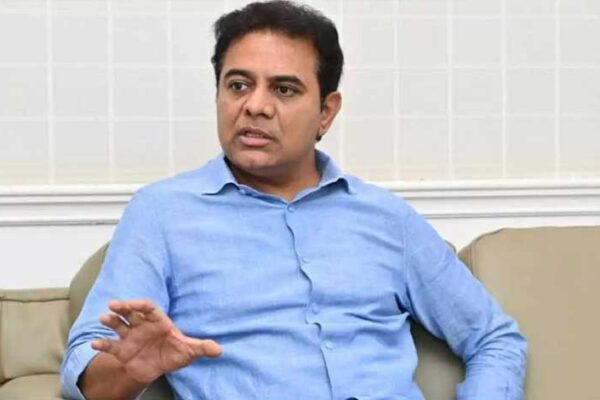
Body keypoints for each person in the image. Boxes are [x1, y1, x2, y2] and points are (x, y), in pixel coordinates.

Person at [61, 1, 527, 399]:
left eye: (284, 89)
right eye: (238, 85)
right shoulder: (162, 214)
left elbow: (494, 337)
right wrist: (133, 370)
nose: (255, 106)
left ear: (326, 111)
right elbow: (85, 365)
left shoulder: (387, 218)